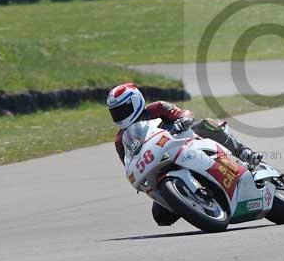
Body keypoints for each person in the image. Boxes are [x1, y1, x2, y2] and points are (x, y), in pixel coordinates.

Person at [106, 83, 263, 225]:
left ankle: (243, 153)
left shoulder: (157, 108)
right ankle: (194, 200)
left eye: (122, 110)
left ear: (135, 102)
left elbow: (182, 112)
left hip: (187, 143)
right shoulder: (121, 140)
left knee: (204, 124)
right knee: (160, 216)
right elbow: (128, 161)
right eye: (115, 113)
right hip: (161, 165)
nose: (119, 116)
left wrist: (183, 120)